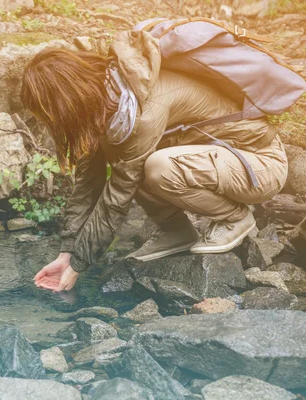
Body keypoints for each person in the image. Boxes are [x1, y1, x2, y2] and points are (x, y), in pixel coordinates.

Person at [23, 31, 288, 292]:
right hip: (218, 162)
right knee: (131, 162)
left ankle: (235, 218)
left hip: (260, 163)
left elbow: (117, 195)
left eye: (52, 116)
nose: (52, 124)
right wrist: (67, 253)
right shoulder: (108, 104)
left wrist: (79, 265)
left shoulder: (143, 111)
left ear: (68, 102)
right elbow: (87, 184)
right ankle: (176, 230)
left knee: (156, 167)